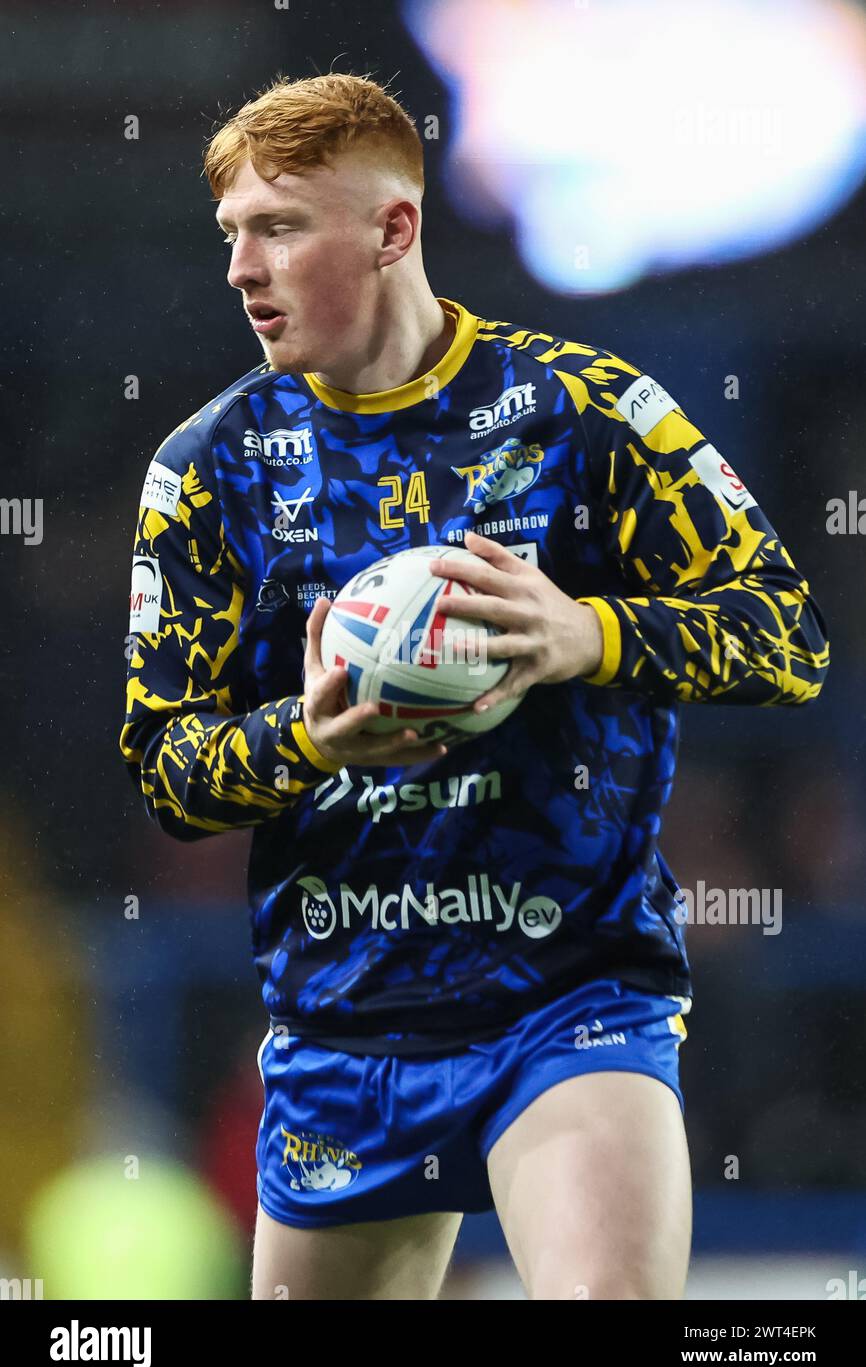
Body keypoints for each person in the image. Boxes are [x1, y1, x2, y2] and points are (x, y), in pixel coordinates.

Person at [120, 72, 829, 1300]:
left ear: (393, 229)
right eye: (232, 232)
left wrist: (586, 634)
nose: (243, 268)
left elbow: (787, 636)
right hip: (344, 1022)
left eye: (280, 227)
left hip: (568, 996)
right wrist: (308, 739)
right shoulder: (207, 468)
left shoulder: (586, 412)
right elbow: (165, 770)